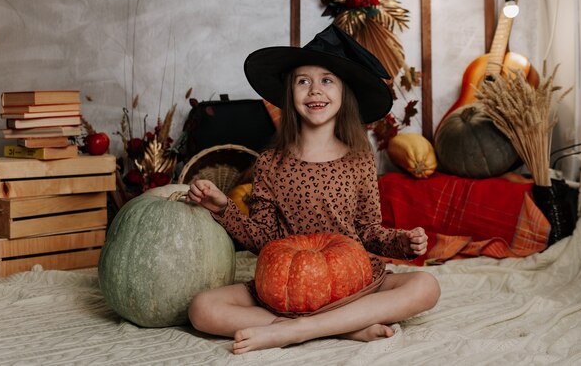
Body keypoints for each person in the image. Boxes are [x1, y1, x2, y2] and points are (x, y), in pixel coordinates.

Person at [187, 24, 440, 354]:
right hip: (287, 286)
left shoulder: (360, 160)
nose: (314, 90)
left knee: (426, 286)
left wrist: (402, 242)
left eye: (326, 80)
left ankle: (296, 330)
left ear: (343, 93)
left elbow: (368, 232)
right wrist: (222, 208)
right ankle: (345, 328)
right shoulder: (270, 163)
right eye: (302, 81)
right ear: (289, 95)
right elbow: (261, 238)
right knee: (201, 308)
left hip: (352, 282)